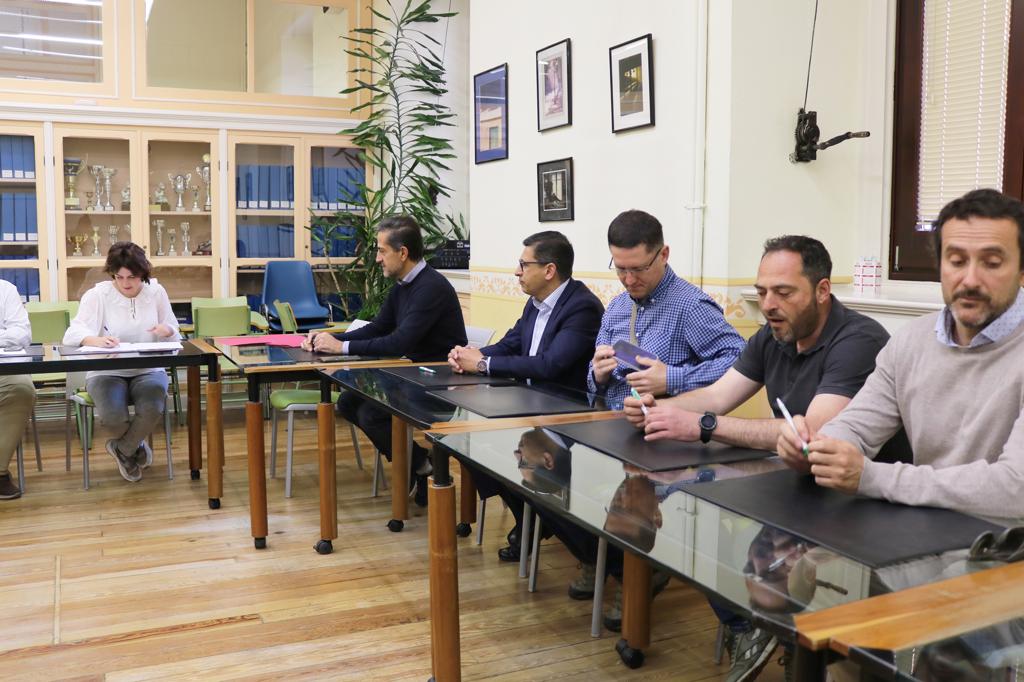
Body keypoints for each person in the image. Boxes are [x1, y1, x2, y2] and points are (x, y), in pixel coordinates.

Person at [622, 235, 905, 682]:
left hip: (863, 502)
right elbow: (718, 395)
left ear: (822, 290)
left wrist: (702, 425)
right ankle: (759, 627)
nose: (768, 304)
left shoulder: (859, 340)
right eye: (762, 292)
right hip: (798, 486)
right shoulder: (773, 335)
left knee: (715, 516)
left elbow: (811, 434)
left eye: (783, 292)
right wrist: (658, 409)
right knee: (691, 513)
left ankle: (781, 633)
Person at [778, 188, 1024, 523]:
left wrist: (872, 477)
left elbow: (1016, 489)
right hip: (922, 533)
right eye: (956, 261)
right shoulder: (910, 341)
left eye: (992, 263)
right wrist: (814, 449)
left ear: (1021, 270)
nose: (970, 279)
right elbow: (856, 428)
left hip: (1007, 546)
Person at [449, 230, 603, 561]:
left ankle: (547, 524)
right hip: (529, 405)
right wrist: (470, 356)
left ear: (549, 270)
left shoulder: (582, 307)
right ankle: (530, 519)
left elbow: (550, 364)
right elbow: (512, 343)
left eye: (523, 264)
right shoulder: (535, 303)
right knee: (474, 450)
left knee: (500, 455)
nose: (516, 272)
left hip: (567, 416)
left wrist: (484, 364)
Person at [305, 215, 467, 505]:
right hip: (413, 374)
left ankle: (418, 467)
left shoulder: (431, 287)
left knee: (372, 414)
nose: (377, 258)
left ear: (402, 253)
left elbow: (399, 342)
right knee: (349, 402)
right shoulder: (404, 284)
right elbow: (379, 327)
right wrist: (329, 339)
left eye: (382, 251)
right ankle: (420, 464)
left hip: (441, 383)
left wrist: (340, 347)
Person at [588, 209, 744, 410]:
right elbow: (593, 378)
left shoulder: (692, 306)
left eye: (639, 269)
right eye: (621, 269)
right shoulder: (616, 307)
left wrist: (671, 379)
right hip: (609, 419)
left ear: (663, 255)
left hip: (665, 424)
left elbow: (739, 359)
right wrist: (597, 375)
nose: (629, 280)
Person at [64, 242, 180, 483]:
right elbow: (72, 334)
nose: (126, 283)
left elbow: (173, 329)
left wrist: (167, 330)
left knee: (152, 407)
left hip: (148, 369)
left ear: (143, 274)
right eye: (119, 277)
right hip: (105, 371)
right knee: (113, 417)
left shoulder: (156, 292)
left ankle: (122, 448)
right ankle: (134, 447)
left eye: (132, 277)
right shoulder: (98, 295)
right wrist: (94, 339)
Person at [0, 279, 35, 500]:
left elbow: (21, 333)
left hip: (3, 369)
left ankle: (0, 472)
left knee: (22, 389)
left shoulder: (5, 290)